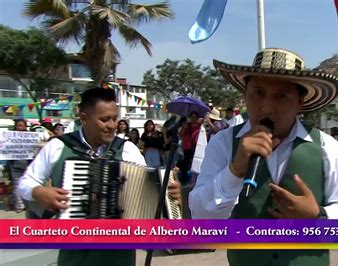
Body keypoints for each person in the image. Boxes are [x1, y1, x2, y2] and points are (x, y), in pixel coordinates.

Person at [189, 48, 338, 266]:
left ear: (300, 101)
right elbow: (201, 220)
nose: (267, 108)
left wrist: (318, 216)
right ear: (245, 94)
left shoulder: (329, 149)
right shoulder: (223, 144)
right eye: (258, 93)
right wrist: (234, 172)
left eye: (281, 96)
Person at [18, 87, 181, 266]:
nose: (112, 125)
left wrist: (170, 198)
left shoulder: (127, 149)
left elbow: (149, 193)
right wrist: (39, 192)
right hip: (74, 257)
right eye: (104, 120)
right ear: (84, 118)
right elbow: (25, 183)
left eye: (114, 118)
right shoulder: (58, 147)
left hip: (120, 257)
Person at [6, 118, 29, 212]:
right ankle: (19, 205)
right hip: (14, 164)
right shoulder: (9, 136)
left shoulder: (31, 136)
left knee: (27, 185)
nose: (20, 127)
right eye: (18, 125)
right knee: (16, 185)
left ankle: (27, 204)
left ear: (25, 126)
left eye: (21, 125)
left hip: (28, 164)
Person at [177, 111, 201, 183]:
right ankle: (184, 180)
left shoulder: (200, 126)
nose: (193, 118)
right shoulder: (187, 125)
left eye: (195, 117)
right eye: (192, 117)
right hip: (187, 147)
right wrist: (184, 128)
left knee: (196, 163)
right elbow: (180, 134)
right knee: (185, 165)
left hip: (197, 148)